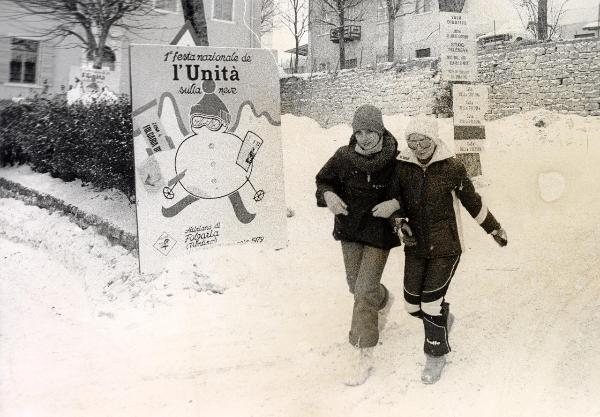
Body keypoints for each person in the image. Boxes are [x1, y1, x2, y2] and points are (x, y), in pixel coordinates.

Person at [391, 115, 508, 384]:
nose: (419, 148)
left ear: (435, 140)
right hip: (416, 247)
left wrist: (494, 228)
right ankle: (442, 319)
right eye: (413, 142)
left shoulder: (452, 166)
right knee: (411, 306)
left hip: (446, 246)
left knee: (430, 303)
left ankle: (435, 355)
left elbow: (472, 202)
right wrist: (398, 222)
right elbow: (394, 201)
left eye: (424, 142)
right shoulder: (402, 167)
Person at [315, 104, 402, 386]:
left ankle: (363, 354)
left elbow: (409, 191)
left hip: (378, 232)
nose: (364, 137)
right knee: (356, 287)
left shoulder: (395, 160)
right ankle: (384, 299)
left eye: (370, 131)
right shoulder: (343, 157)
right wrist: (327, 195)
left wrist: (395, 203)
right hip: (350, 229)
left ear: (380, 130)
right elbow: (323, 181)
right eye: (359, 131)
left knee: (363, 290)